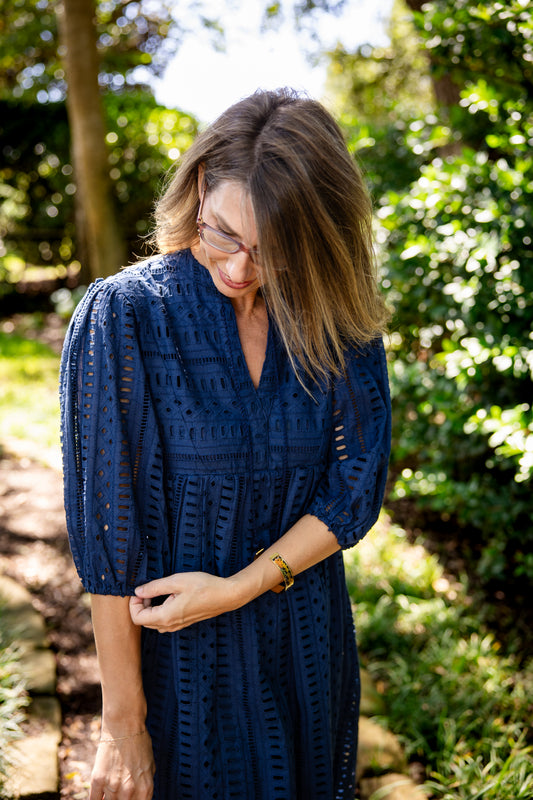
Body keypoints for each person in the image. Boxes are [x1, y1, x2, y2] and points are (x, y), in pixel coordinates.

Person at [60, 87, 391, 800]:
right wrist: (123, 724)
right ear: (201, 187)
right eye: (223, 233)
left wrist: (239, 587)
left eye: (273, 252)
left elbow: (354, 489)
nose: (239, 268)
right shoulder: (125, 316)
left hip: (307, 650)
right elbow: (109, 541)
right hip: (178, 670)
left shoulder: (337, 320)